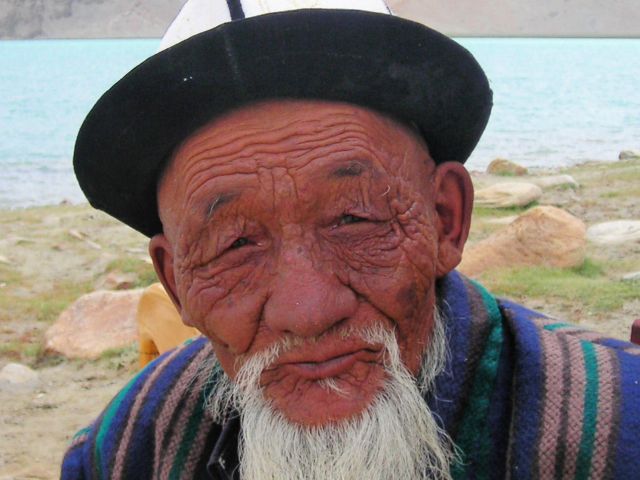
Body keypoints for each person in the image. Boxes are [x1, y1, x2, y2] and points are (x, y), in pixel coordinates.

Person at [62, 1, 640, 478]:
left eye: (355, 221)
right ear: (176, 283)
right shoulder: (130, 450)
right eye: (235, 245)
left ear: (446, 219)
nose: (307, 311)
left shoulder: (616, 433)